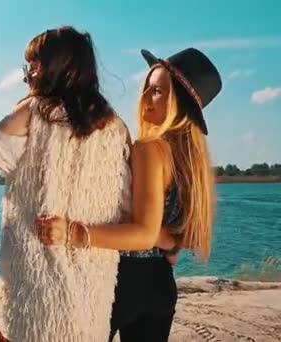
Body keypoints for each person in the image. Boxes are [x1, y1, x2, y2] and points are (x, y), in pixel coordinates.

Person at [0, 26, 132, 341]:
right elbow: (127, 212)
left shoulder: (34, 113)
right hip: (89, 305)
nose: (27, 75)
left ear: (61, 67)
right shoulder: (116, 129)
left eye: (34, 65)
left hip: (32, 304)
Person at [38, 47, 222, 341]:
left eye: (159, 91)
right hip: (161, 286)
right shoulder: (194, 167)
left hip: (122, 281)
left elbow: (144, 234)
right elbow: (172, 249)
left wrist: (72, 232)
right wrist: (165, 239)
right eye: (148, 88)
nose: (146, 98)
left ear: (180, 105)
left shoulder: (150, 148)